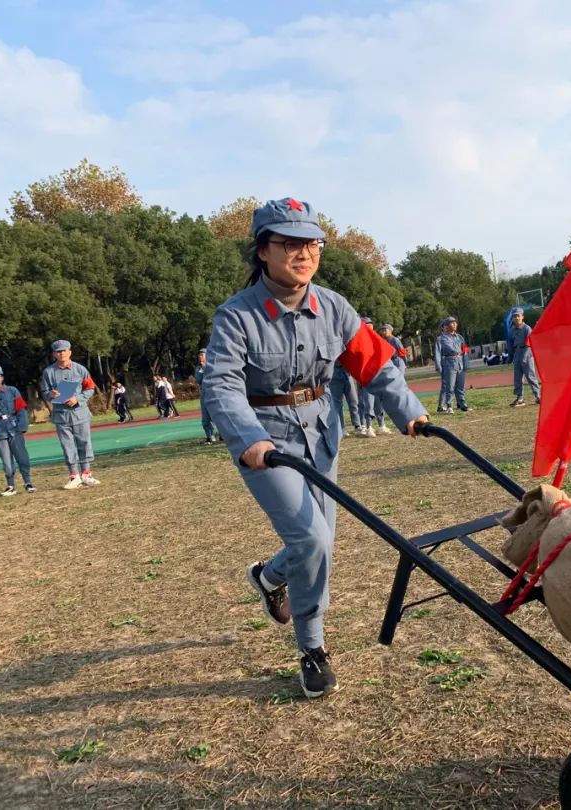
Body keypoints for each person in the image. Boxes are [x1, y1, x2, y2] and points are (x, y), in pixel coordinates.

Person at [201, 197, 428, 699]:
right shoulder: (236, 316)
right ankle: (312, 646)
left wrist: (409, 411)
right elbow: (220, 385)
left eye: (312, 243)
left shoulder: (334, 306)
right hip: (267, 440)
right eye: (289, 243)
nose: (304, 253)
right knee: (313, 541)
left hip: (322, 432)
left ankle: (269, 576)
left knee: (317, 540)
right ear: (263, 251)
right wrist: (250, 440)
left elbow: (373, 362)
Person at [41, 339, 99, 488]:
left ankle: (87, 474)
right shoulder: (48, 372)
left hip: (79, 412)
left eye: (64, 350)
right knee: (67, 446)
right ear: (54, 354)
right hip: (61, 415)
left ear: (70, 352)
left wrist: (78, 399)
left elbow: (90, 388)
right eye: (58, 351)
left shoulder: (80, 369)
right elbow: (44, 392)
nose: (62, 354)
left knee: (84, 443)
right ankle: (74, 476)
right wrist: (51, 394)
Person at [0, 365, 34, 495]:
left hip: (14, 425)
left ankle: (28, 482)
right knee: (6, 459)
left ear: (2, 377)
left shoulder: (12, 390)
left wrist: (22, 426)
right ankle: (10, 485)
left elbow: (21, 408)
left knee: (22, 457)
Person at [507, 307, 541, 407]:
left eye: (518, 316)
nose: (516, 318)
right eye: (514, 316)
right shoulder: (511, 330)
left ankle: (538, 396)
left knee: (531, 376)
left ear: (522, 317)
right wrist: (510, 357)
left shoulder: (527, 329)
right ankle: (520, 398)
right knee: (517, 378)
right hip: (517, 353)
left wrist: (524, 357)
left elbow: (529, 343)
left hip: (527, 353)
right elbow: (510, 345)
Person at [434, 316, 468, 413]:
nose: (455, 324)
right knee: (449, 386)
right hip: (448, 362)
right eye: (452, 323)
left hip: (460, 361)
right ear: (446, 326)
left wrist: (466, 363)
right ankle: (447, 405)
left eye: (455, 323)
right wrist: (438, 366)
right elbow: (437, 353)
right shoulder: (441, 338)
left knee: (460, 385)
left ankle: (462, 404)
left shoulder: (460, 337)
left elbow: (465, 350)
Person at [328, 362, 361, 437]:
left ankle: (357, 425)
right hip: (334, 373)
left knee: (354, 401)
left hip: (347, 372)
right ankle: (342, 429)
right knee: (337, 404)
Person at [194, 350, 218, 443]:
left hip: (215, 393)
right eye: (199, 354)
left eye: (202, 354)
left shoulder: (213, 365)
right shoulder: (198, 368)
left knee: (219, 415)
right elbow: (199, 380)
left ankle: (223, 435)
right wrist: (202, 369)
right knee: (205, 417)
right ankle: (210, 436)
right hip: (204, 394)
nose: (199, 356)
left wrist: (206, 368)